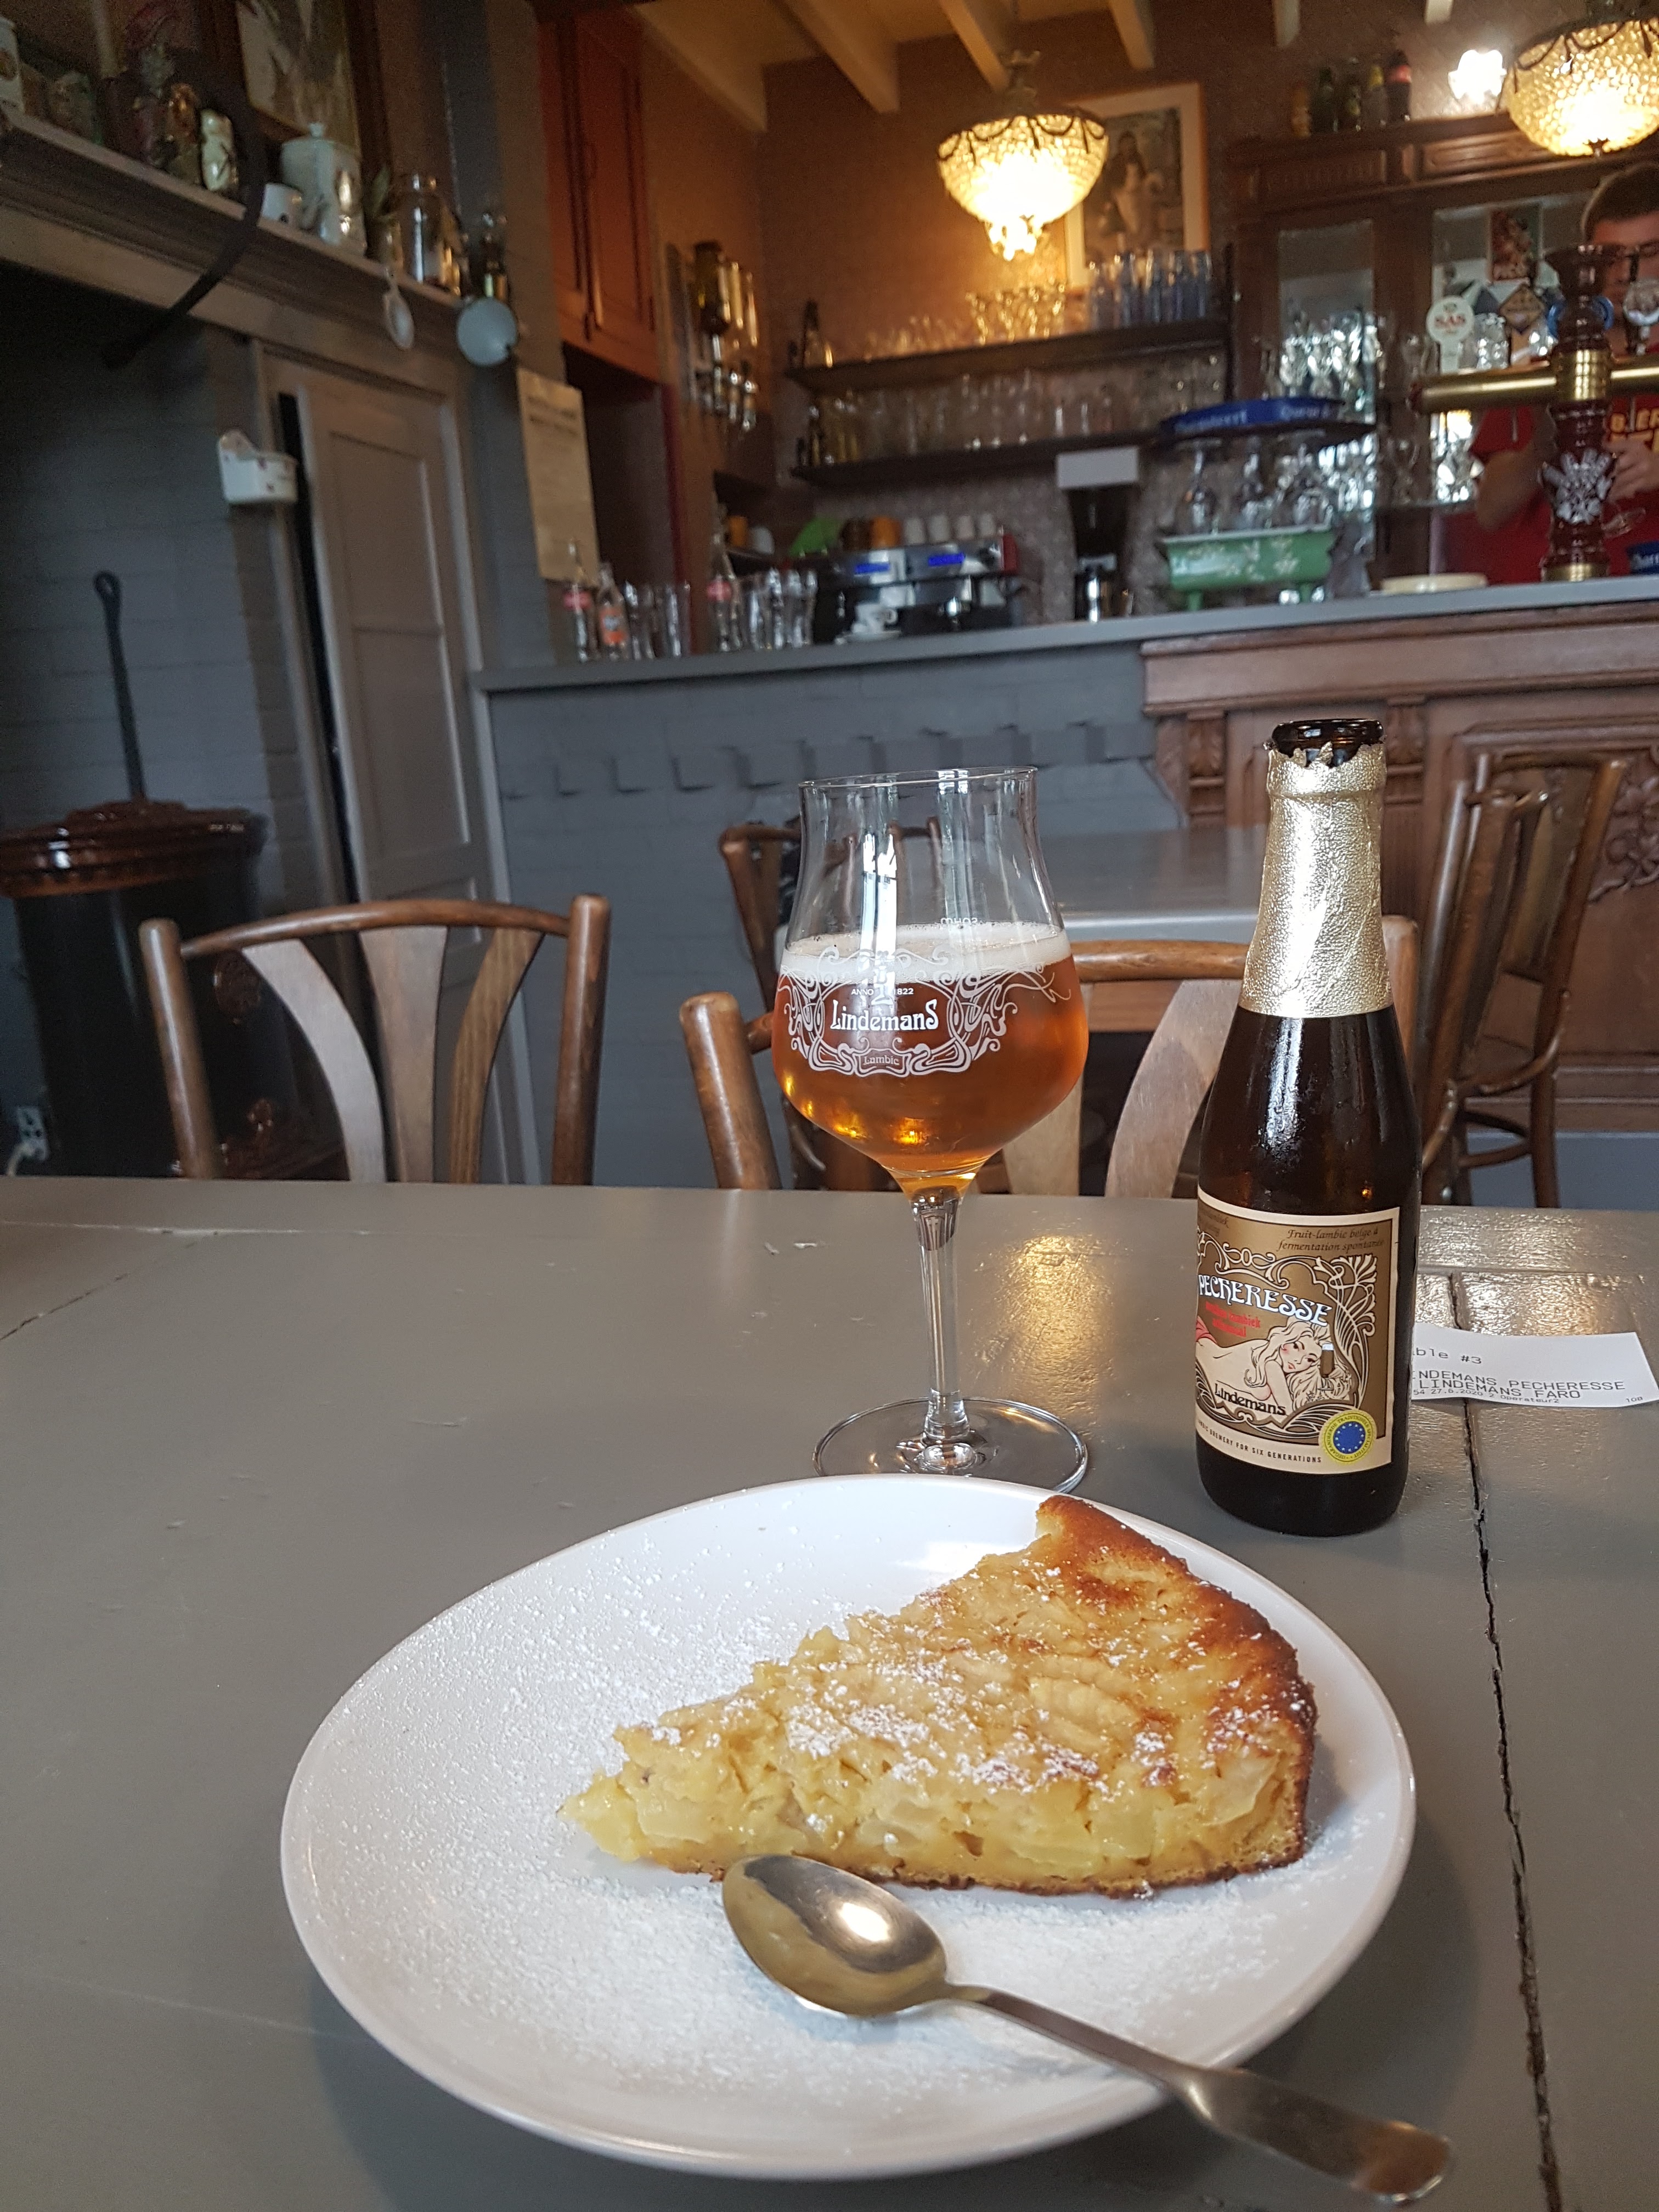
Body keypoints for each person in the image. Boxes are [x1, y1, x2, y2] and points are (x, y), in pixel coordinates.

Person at [1470, 163, 1659, 580]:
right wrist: (1539, 451)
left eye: (1648, 253)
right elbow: (1490, 511)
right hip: (1550, 598)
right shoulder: (1544, 373)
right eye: (1611, 257)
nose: (1623, 274)